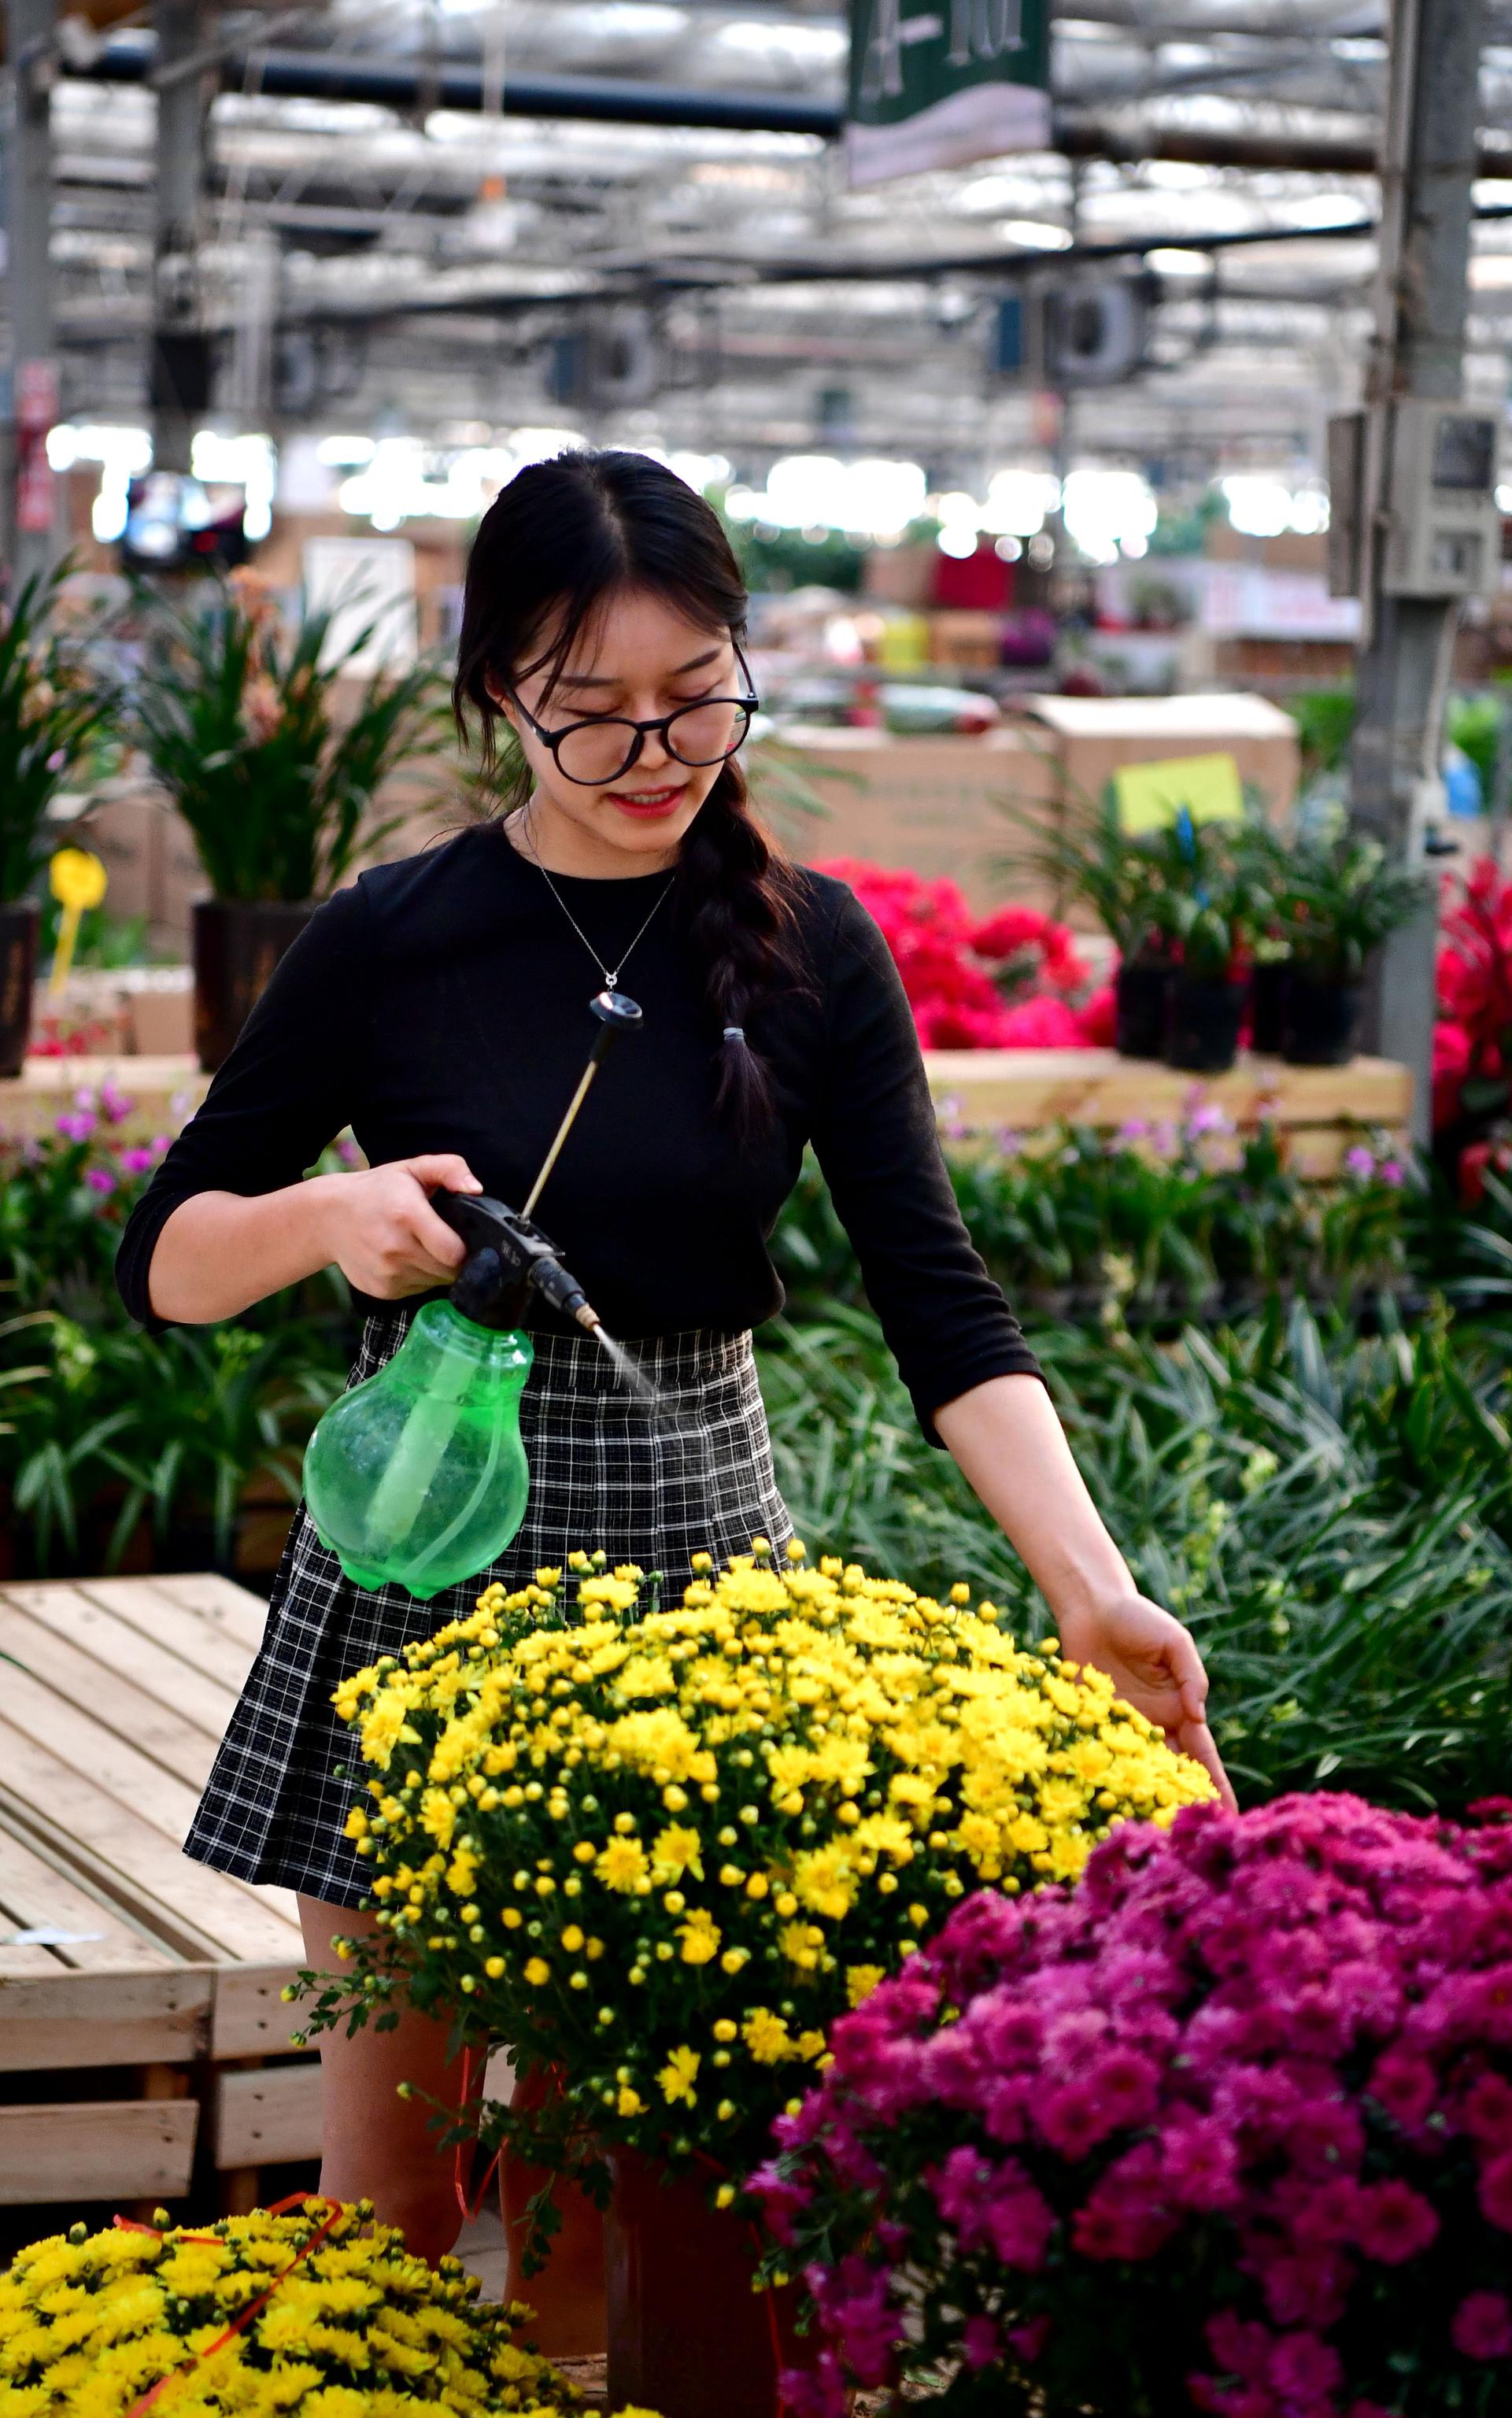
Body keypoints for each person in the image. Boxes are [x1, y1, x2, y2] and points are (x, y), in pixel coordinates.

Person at [116, 449, 1231, 2342]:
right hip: (415, 1577)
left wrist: (1091, 1588)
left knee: (612, 2177)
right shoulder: (394, 933)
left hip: (685, 1586)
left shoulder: (815, 948)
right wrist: (333, 1217)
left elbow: (938, 1306)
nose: (657, 750)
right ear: (495, 696)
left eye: (697, 692)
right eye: (593, 709)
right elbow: (168, 1258)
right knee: (391, 2179)